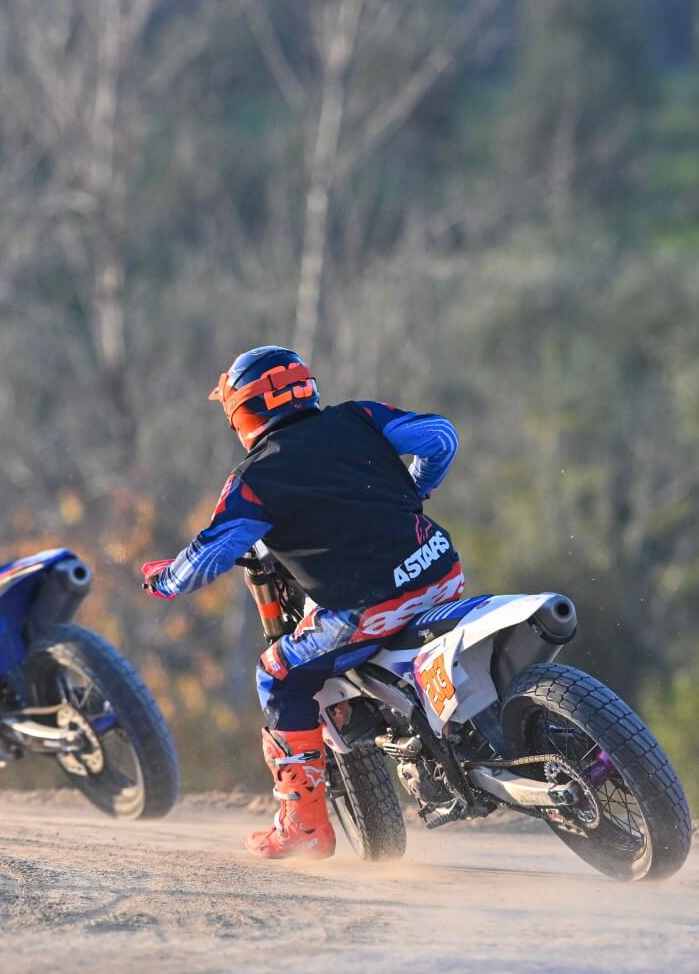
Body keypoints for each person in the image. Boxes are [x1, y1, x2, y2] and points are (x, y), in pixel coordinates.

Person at [140, 346, 462, 860]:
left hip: (367, 608)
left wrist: (163, 581)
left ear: (242, 413)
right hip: (441, 571)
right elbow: (441, 437)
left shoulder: (256, 478)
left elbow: (208, 557)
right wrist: (419, 490)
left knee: (276, 674)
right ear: (306, 389)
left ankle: (304, 825)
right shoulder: (359, 417)